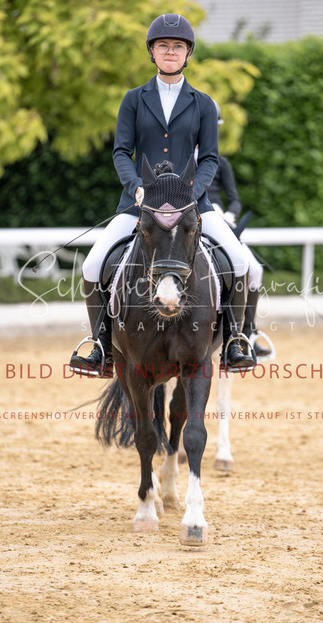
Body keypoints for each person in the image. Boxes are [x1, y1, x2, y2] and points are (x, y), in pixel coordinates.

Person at [70, 13, 254, 376]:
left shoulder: (203, 103)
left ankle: (235, 340)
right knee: (92, 265)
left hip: (193, 205)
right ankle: (101, 346)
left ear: (188, 53)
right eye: (163, 46)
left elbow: (210, 158)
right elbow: (121, 152)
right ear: (152, 52)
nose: (171, 51)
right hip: (139, 204)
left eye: (178, 46)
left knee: (240, 261)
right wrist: (135, 187)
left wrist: (191, 193)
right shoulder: (133, 99)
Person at [207, 102, 272, 360]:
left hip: (222, 221)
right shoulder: (182, 161)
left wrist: (229, 215)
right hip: (194, 218)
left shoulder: (221, 163)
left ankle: (247, 334)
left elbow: (234, 198)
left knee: (255, 269)